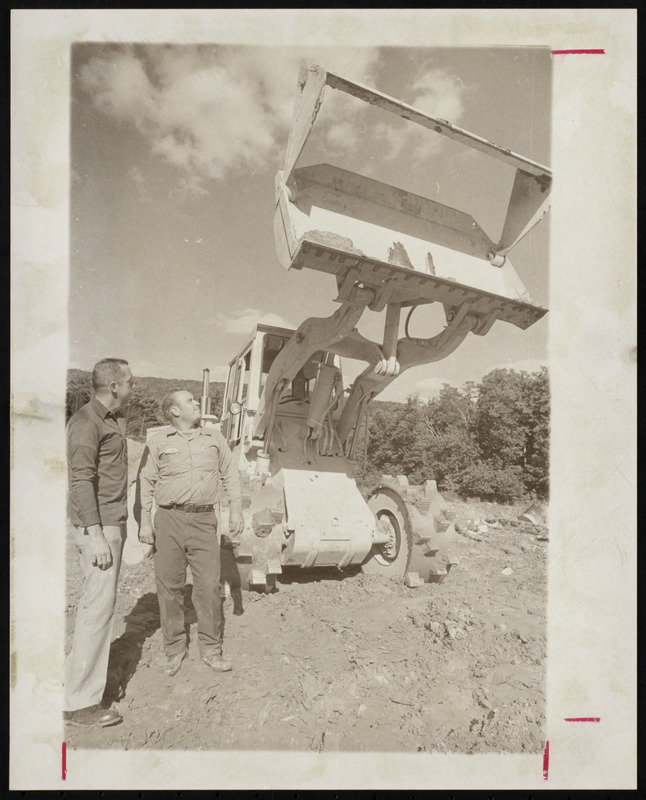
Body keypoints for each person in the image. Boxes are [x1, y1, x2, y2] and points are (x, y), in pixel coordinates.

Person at [138, 389, 243, 677]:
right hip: (168, 521)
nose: (196, 403)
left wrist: (235, 509)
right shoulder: (158, 441)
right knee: (169, 587)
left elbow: (230, 473)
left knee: (209, 586)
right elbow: (145, 482)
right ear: (173, 411)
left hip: (204, 521)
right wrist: (144, 522)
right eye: (189, 401)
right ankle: (174, 649)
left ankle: (211, 649)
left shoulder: (214, 438)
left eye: (195, 399)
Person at [64, 358, 134, 728]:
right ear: (114, 387)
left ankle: (76, 682)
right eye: (129, 382)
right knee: (97, 610)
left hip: (109, 524)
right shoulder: (87, 423)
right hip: (99, 529)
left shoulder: (108, 419)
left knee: (97, 607)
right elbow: (80, 481)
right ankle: (79, 703)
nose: (132, 388)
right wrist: (95, 535)